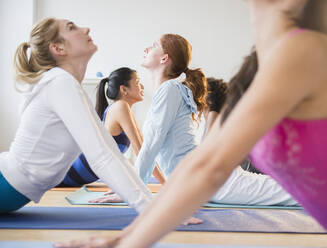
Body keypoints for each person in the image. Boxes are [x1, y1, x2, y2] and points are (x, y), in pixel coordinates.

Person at [54, 0, 327, 247]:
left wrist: (128, 235)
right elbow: (203, 162)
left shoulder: (299, 50)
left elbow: (209, 167)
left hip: (230, 183)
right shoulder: (258, 66)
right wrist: (123, 238)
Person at [0, 17, 153, 214]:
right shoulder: (60, 82)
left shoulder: (65, 84)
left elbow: (109, 151)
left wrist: (149, 202)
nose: (86, 29)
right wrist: (150, 208)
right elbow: (102, 157)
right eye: (72, 28)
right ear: (59, 48)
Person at [58, 67, 165, 187]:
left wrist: (165, 179)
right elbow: (141, 152)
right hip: (64, 174)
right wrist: (165, 183)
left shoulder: (122, 108)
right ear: (124, 89)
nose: (142, 87)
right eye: (137, 83)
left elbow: (145, 150)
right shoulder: (120, 107)